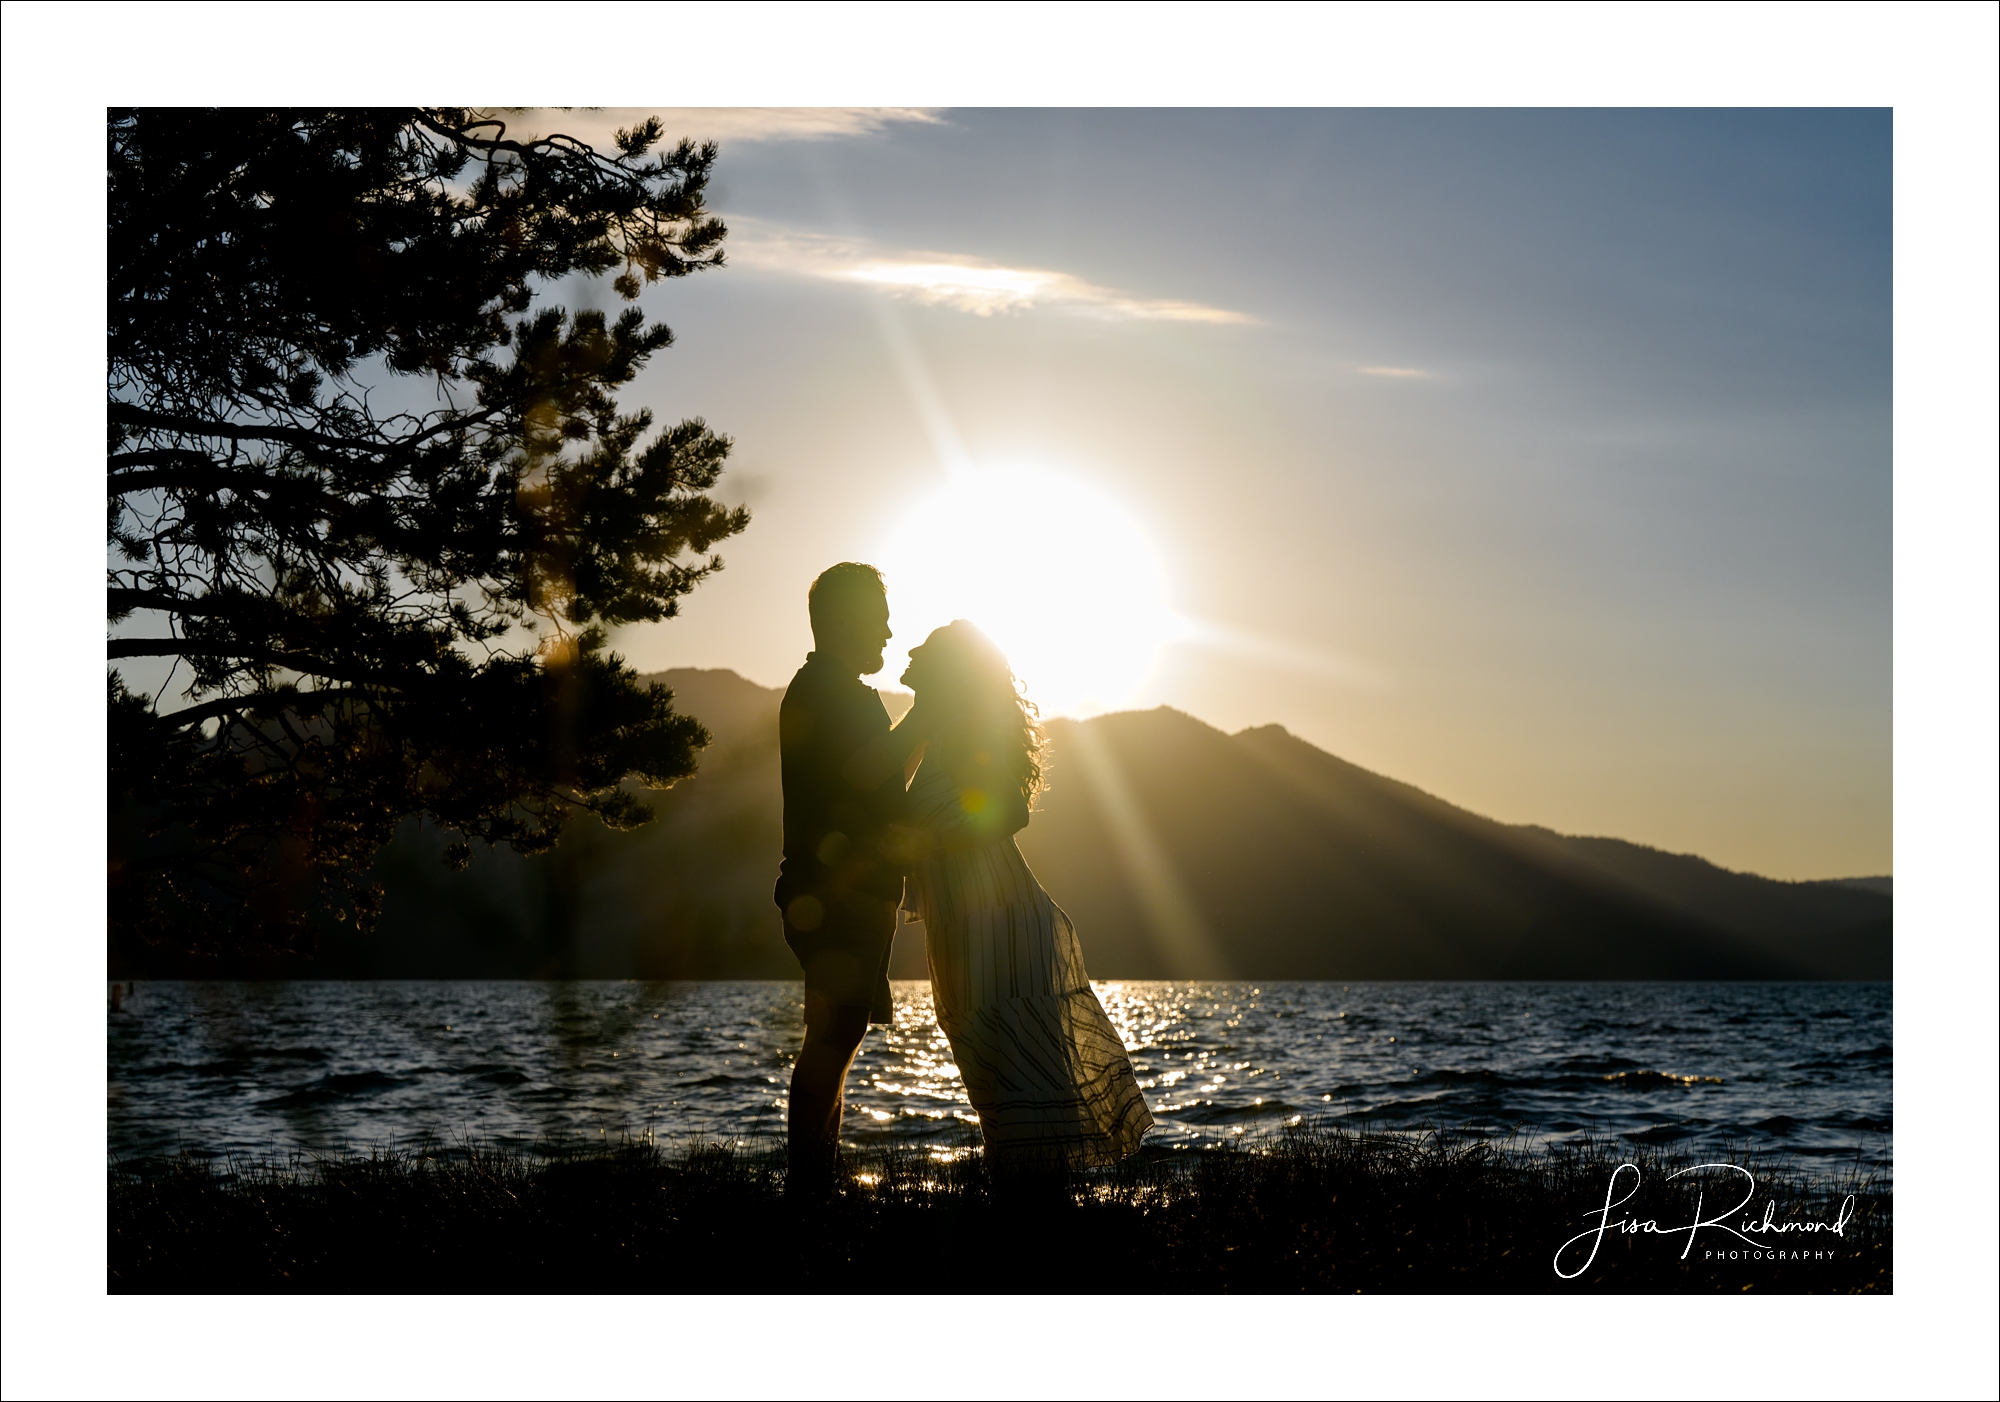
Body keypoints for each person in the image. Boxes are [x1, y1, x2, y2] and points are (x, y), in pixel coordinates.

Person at [896, 619, 1153, 1171]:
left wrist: (933, 841)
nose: (910, 653)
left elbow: (1012, 810)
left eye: (926, 652)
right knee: (998, 1073)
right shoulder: (943, 732)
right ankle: (1030, 1213)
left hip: (996, 922)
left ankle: (1031, 1214)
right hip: (971, 923)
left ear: (948, 672)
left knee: (1011, 1074)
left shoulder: (963, 730)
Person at [775, 563, 930, 1190]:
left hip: (847, 893)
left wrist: (921, 723)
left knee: (839, 1038)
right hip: (834, 894)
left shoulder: (838, 692)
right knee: (831, 1040)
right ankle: (807, 1192)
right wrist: (929, 709)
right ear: (844, 620)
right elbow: (871, 773)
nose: (890, 633)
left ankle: (817, 1186)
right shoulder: (825, 692)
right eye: (881, 618)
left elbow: (883, 783)